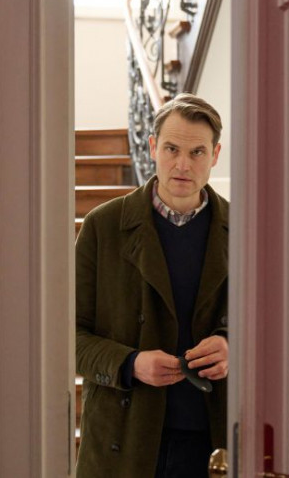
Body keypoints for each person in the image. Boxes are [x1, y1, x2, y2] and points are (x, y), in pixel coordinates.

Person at [75, 93, 229, 477]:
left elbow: (276, 331)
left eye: (197, 152)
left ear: (215, 155)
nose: (182, 164)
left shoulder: (245, 228)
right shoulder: (102, 226)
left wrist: (233, 347)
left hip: (215, 441)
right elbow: (65, 338)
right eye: (172, 149)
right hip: (123, 439)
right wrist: (130, 364)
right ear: (152, 147)